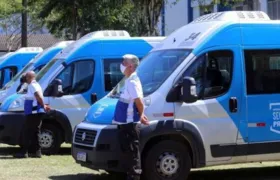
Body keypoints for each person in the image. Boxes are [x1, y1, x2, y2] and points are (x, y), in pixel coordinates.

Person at [113, 54, 149, 180]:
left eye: (124, 62)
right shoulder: (128, 80)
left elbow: (138, 101)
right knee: (127, 156)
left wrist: (141, 115)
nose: (121, 64)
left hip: (130, 125)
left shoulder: (132, 82)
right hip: (124, 125)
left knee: (132, 156)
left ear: (131, 66)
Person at [14, 71, 50, 158]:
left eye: (26, 77)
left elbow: (38, 96)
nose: (25, 79)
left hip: (33, 112)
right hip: (35, 112)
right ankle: (37, 152)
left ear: (30, 77)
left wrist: (43, 105)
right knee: (35, 131)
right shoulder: (35, 85)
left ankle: (24, 152)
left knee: (27, 131)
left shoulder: (33, 85)